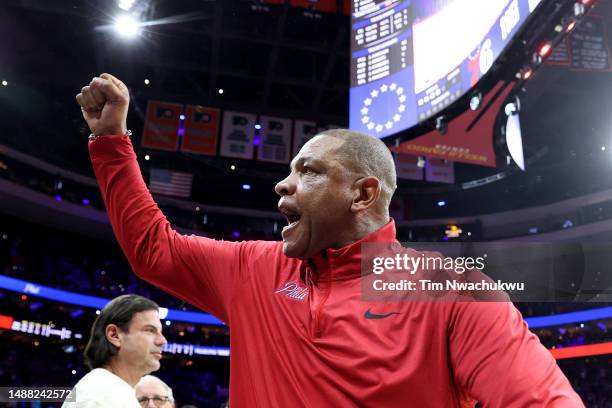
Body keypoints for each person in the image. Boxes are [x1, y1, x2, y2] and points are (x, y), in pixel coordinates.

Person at [76, 74, 584, 407]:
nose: (283, 184)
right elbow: (152, 249)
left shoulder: (452, 291)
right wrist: (111, 143)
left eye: (308, 171)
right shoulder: (254, 268)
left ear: (363, 194)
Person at [62, 294, 167, 408]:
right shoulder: (98, 399)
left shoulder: (114, 393)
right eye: (150, 330)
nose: (162, 341)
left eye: (160, 332)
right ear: (114, 335)